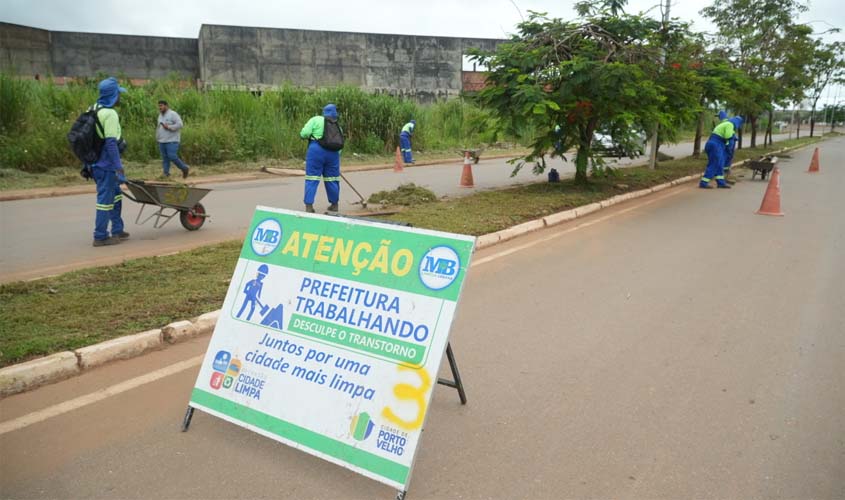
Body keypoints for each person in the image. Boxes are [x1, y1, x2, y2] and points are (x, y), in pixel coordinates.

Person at [91, 77, 129, 246]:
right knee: (105, 201)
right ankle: (100, 236)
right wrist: (118, 167)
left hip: (94, 162)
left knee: (115, 196)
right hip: (106, 165)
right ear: (113, 95)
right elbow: (111, 143)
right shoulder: (110, 114)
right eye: (118, 94)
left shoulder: (94, 108)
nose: (120, 97)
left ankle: (117, 229)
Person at [300, 104, 343, 213]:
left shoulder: (315, 119)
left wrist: (305, 137)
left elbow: (304, 133)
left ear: (324, 112)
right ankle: (334, 205)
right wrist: (335, 157)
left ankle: (309, 206)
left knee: (312, 178)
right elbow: (340, 145)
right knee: (332, 179)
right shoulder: (337, 126)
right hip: (333, 155)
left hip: (316, 151)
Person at [156, 100, 190, 179]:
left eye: (161, 105)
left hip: (172, 140)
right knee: (165, 158)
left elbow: (180, 124)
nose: (160, 107)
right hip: (162, 140)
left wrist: (169, 127)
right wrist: (157, 138)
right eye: (159, 106)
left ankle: (184, 168)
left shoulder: (173, 114)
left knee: (172, 156)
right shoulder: (160, 115)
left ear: (166, 106)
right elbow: (159, 127)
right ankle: (166, 174)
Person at [699, 117, 736, 189]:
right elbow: (728, 136)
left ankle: (721, 182)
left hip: (715, 144)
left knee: (719, 164)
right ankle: (703, 183)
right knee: (714, 164)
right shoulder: (730, 125)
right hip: (716, 145)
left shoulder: (724, 125)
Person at [723, 116, 744, 183]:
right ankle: (724, 175)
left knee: (727, 160)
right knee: (726, 159)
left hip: (728, 147)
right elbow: (729, 140)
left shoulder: (730, 123)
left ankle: (726, 173)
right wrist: (730, 151)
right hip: (728, 149)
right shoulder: (731, 125)